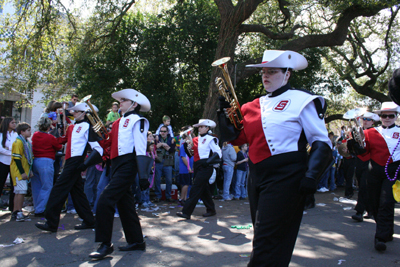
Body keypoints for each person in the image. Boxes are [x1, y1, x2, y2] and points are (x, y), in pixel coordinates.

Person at [218, 50, 332, 266]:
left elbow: (321, 141)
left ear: (287, 74)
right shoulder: (251, 106)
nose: (265, 76)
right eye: (263, 72)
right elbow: (236, 138)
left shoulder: (303, 100)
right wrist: (225, 115)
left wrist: (312, 176)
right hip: (257, 175)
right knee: (265, 236)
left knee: (266, 241)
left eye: (272, 71)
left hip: (287, 176)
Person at [89, 88, 151, 259]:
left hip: (128, 163)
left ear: (134, 104)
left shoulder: (138, 120)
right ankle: (137, 241)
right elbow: (109, 143)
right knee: (126, 205)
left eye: (124, 100)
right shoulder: (118, 122)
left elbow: (140, 146)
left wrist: (143, 175)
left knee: (105, 199)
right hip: (116, 164)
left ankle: (105, 244)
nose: (120, 102)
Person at [35, 101, 103, 232]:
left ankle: (51, 222)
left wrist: (85, 164)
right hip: (71, 160)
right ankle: (89, 220)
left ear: (84, 113)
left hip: (75, 162)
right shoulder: (73, 126)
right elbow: (64, 140)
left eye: (76, 111)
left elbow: (98, 148)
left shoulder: (87, 127)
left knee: (58, 190)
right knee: (77, 193)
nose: (73, 113)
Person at [350, 101, 400, 252]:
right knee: (374, 203)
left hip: (393, 171)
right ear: (380, 116)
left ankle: (380, 237)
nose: (387, 118)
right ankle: (387, 230)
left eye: (391, 115)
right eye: (384, 115)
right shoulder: (370, 132)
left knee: (386, 202)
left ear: (396, 116)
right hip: (374, 170)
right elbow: (364, 153)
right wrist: (356, 148)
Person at [176, 119, 222, 220]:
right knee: (204, 189)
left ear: (207, 128)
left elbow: (218, 153)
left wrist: (208, 162)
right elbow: (191, 154)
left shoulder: (211, 139)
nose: (199, 128)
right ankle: (211, 209)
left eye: (202, 127)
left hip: (206, 166)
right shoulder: (196, 139)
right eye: (199, 127)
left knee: (196, 188)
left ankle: (186, 212)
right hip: (198, 166)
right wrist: (186, 143)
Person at [349, 111, 379, 222]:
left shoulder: (376, 132)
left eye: (368, 120)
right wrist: (352, 144)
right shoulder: (359, 131)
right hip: (360, 161)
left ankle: (359, 212)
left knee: (363, 187)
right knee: (364, 187)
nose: (365, 121)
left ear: (373, 122)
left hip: (370, 162)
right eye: (364, 119)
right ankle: (370, 210)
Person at [31, 117, 63, 217]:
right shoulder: (50, 137)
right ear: (49, 126)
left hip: (35, 160)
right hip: (46, 161)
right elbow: (59, 147)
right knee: (47, 186)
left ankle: (37, 207)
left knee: (36, 186)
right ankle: (41, 209)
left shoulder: (35, 135)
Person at [10, 122, 33, 222]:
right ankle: (17, 212)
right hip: (19, 172)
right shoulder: (18, 142)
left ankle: (17, 211)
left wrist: (29, 171)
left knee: (20, 192)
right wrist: (22, 172)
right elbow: (17, 158)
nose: (30, 132)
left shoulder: (26, 142)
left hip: (25, 171)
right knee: (20, 192)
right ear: (22, 132)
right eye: (28, 130)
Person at [154, 125, 175, 202]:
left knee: (169, 180)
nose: (162, 133)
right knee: (157, 179)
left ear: (167, 132)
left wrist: (163, 145)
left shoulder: (171, 139)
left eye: (164, 131)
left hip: (168, 161)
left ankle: (168, 196)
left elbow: (172, 150)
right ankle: (158, 196)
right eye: (161, 131)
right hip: (158, 161)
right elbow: (152, 148)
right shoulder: (156, 138)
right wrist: (162, 145)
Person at [0, 117, 17, 212]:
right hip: (3, 162)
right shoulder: (2, 135)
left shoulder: (15, 135)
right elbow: (1, 149)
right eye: (12, 122)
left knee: (14, 185)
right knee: (1, 182)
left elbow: (15, 146)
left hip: (13, 162)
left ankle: (12, 207)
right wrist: (11, 152)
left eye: (15, 122)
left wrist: (8, 148)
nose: (14, 124)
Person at [178, 127, 194, 204]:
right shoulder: (183, 146)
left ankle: (185, 198)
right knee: (185, 184)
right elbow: (183, 157)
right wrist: (189, 167)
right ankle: (182, 198)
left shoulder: (189, 147)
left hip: (188, 169)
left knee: (187, 184)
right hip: (185, 169)